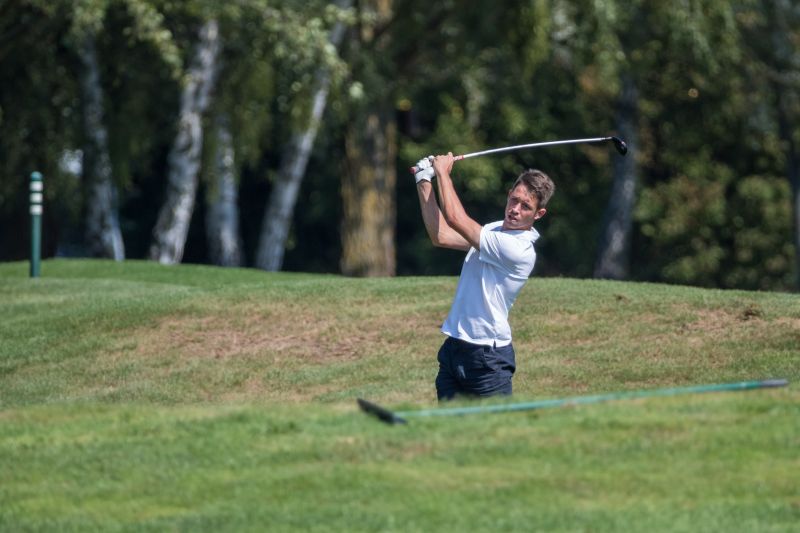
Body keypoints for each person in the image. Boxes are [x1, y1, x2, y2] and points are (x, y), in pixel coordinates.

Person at [414, 152, 555, 400]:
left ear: (538, 214)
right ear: (508, 195)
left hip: (488, 358)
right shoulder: (493, 230)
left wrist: (443, 173)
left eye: (526, 206)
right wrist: (424, 180)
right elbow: (441, 236)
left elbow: (455, 218)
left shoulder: (517, 248)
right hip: (455, 347)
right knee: (447, 425)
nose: (515, 209)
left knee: (493, 426)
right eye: (514, 200)